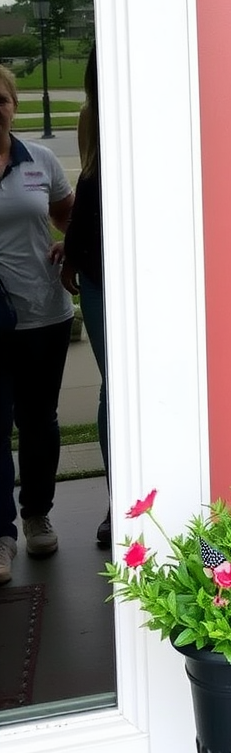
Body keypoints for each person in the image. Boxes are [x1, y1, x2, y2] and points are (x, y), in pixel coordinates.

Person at [0, 64, 75, 585]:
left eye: (0, 99)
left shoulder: (40, 160)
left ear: (14, 104)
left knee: (39, 421)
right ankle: (0, 532)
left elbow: (70, 215)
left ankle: (36, 515)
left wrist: (70, 243)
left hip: (45, 314)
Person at [61, 47, 109, 547]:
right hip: (97, 274)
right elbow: (89, 185)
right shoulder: (90, 118)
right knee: (111, 389)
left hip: (144, 271)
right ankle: (120, 503)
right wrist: (71, 249)